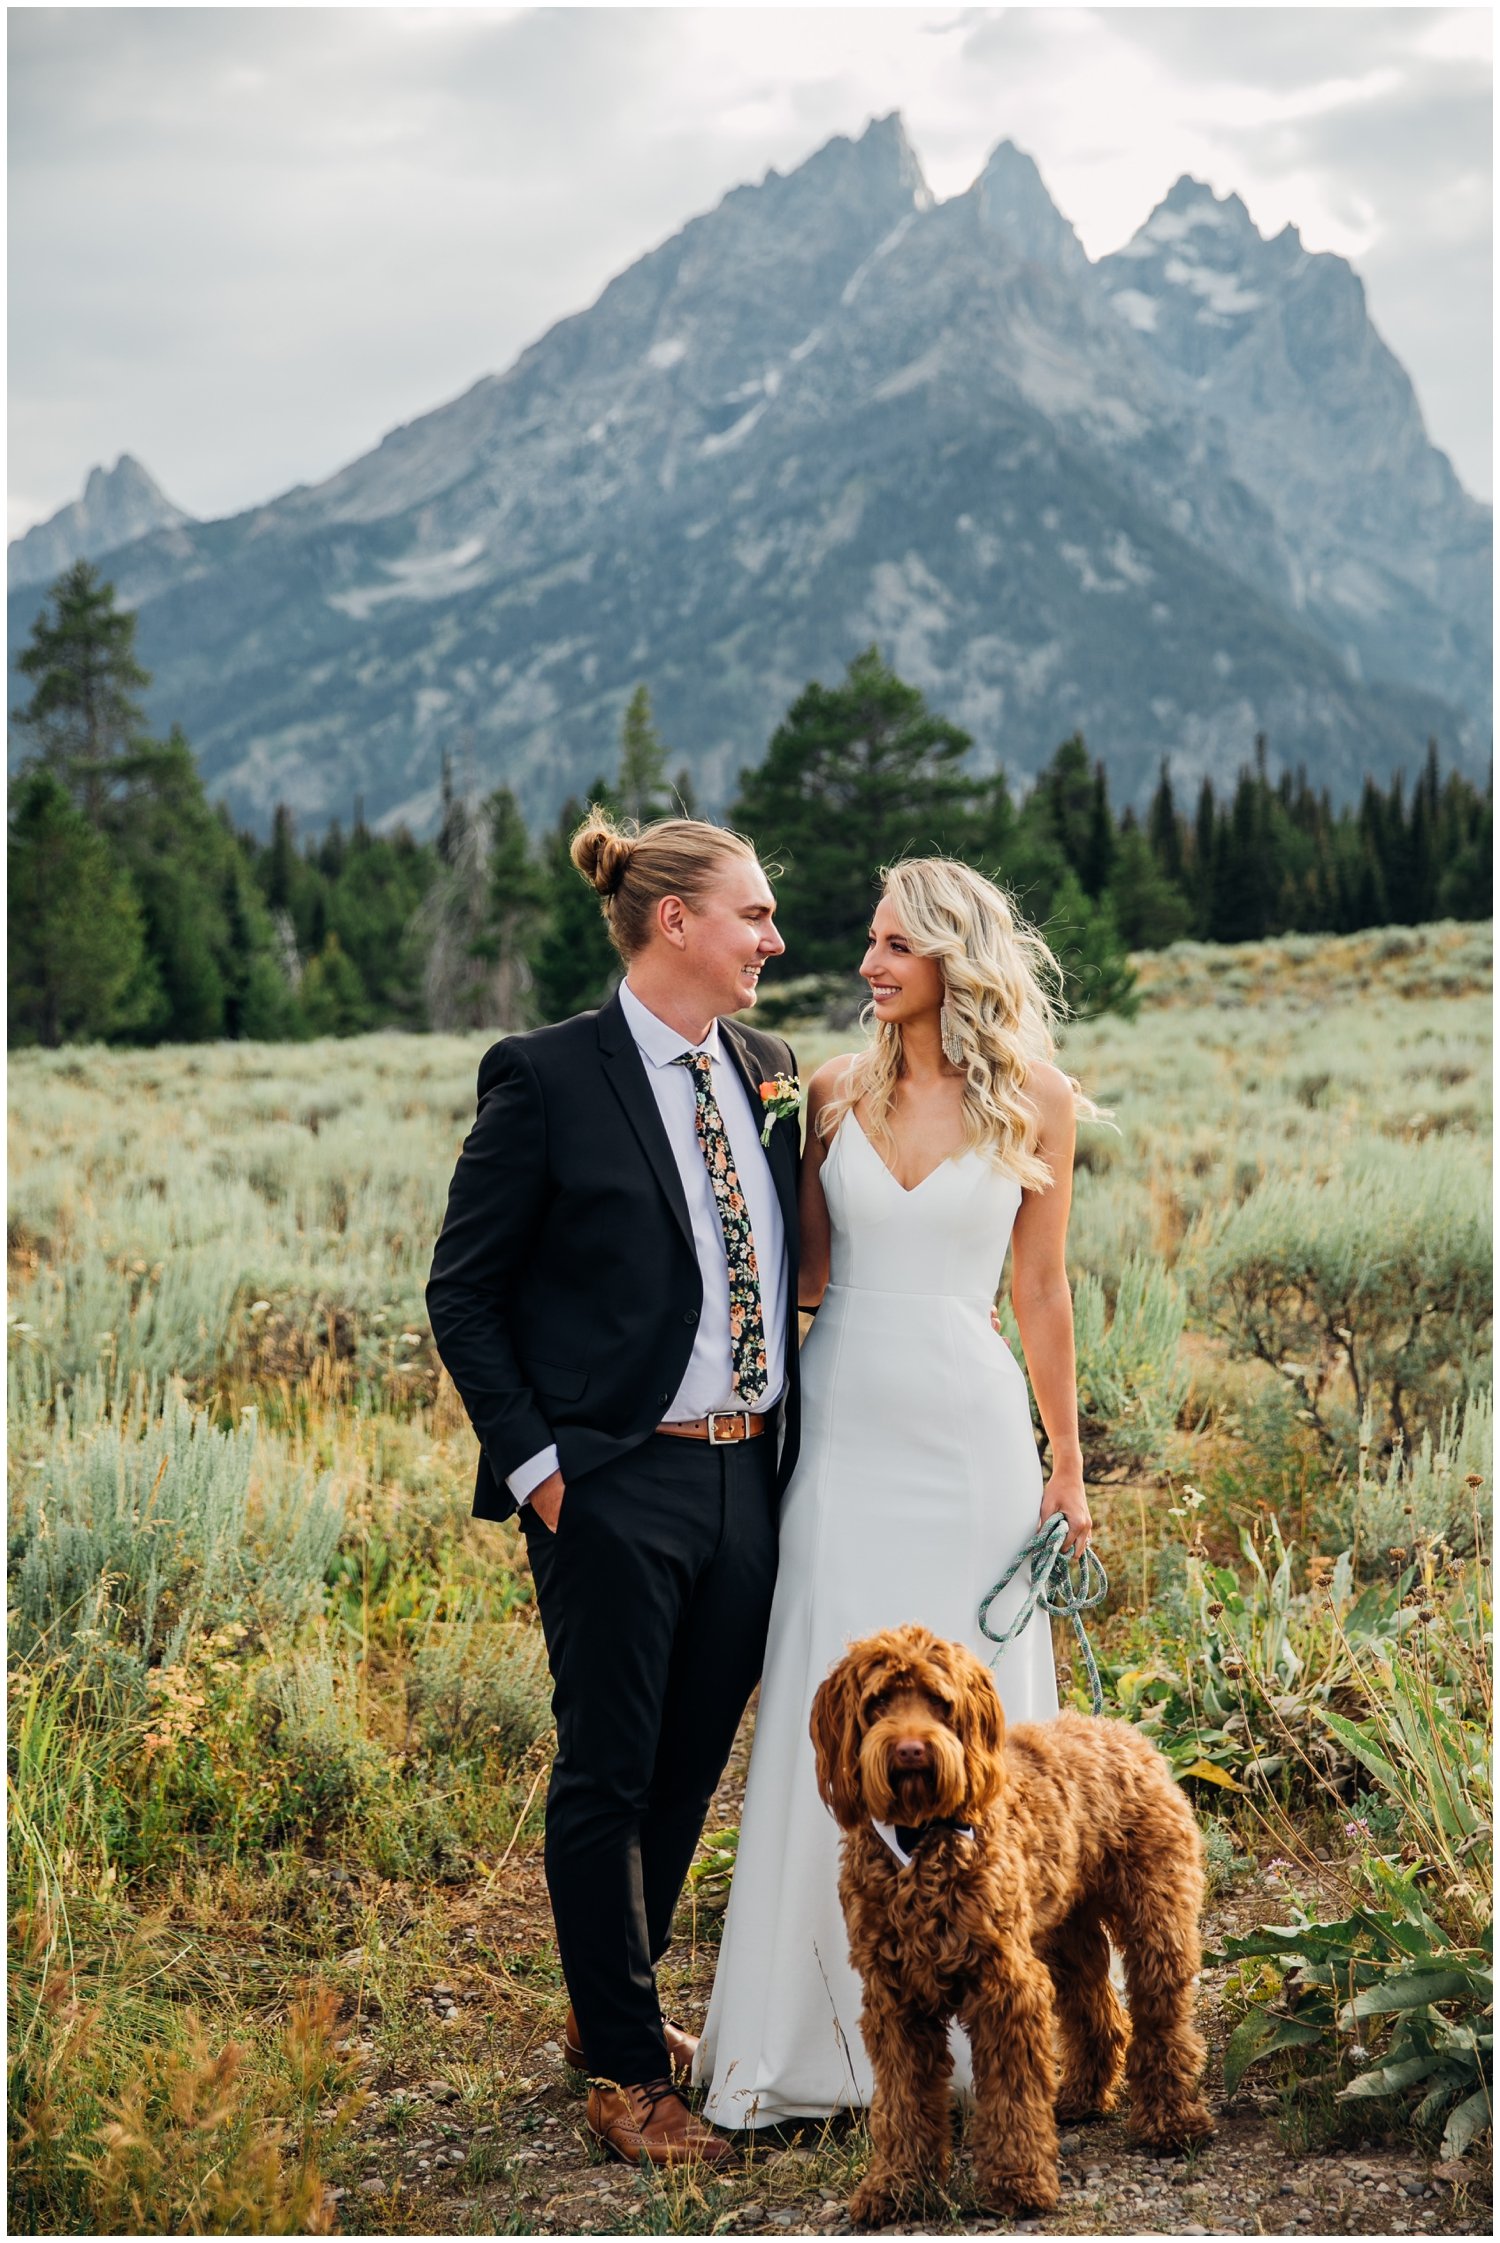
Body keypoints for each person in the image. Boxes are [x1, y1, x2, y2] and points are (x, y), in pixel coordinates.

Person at [695, 855, 1095, 2129]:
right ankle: (803, 2037)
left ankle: (1001, 2050)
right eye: (869, 944)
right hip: (847, 1423)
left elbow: (1041, 1289)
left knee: (984, 1706)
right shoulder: (825, 1091)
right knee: (832, 1693)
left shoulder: (1038, 1098)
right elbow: (799, 1270)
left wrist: (1066, 1461)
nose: (867, 965)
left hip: (974, 1428)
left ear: (952, 958)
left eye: (892, 946)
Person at [427, 809, 802, 2168]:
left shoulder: (768, 1068)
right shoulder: (545, 1075)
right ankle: (630, 2080)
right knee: (607, 1769)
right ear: (675, 922)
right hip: (611, 1481)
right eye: (754, 913)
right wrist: (541, 1472)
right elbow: (462, 1291)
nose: (774, 936)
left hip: (745, 1476)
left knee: (690, 1763)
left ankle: (606, 2012)